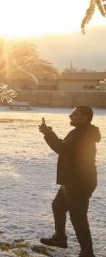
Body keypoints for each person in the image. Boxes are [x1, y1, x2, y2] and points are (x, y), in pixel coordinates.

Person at [39, 106, 100, 257]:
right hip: (73, 179)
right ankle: (60, 238)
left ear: (85, 117)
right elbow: (65, 147)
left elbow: (62, 148)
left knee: (78, 217)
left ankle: (87, 252)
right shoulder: (80, 132)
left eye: (74, 113)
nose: (70, 116)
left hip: (79, 181)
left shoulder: (82, 134)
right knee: (58, 206)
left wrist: (48, 133)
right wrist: (50, 133)